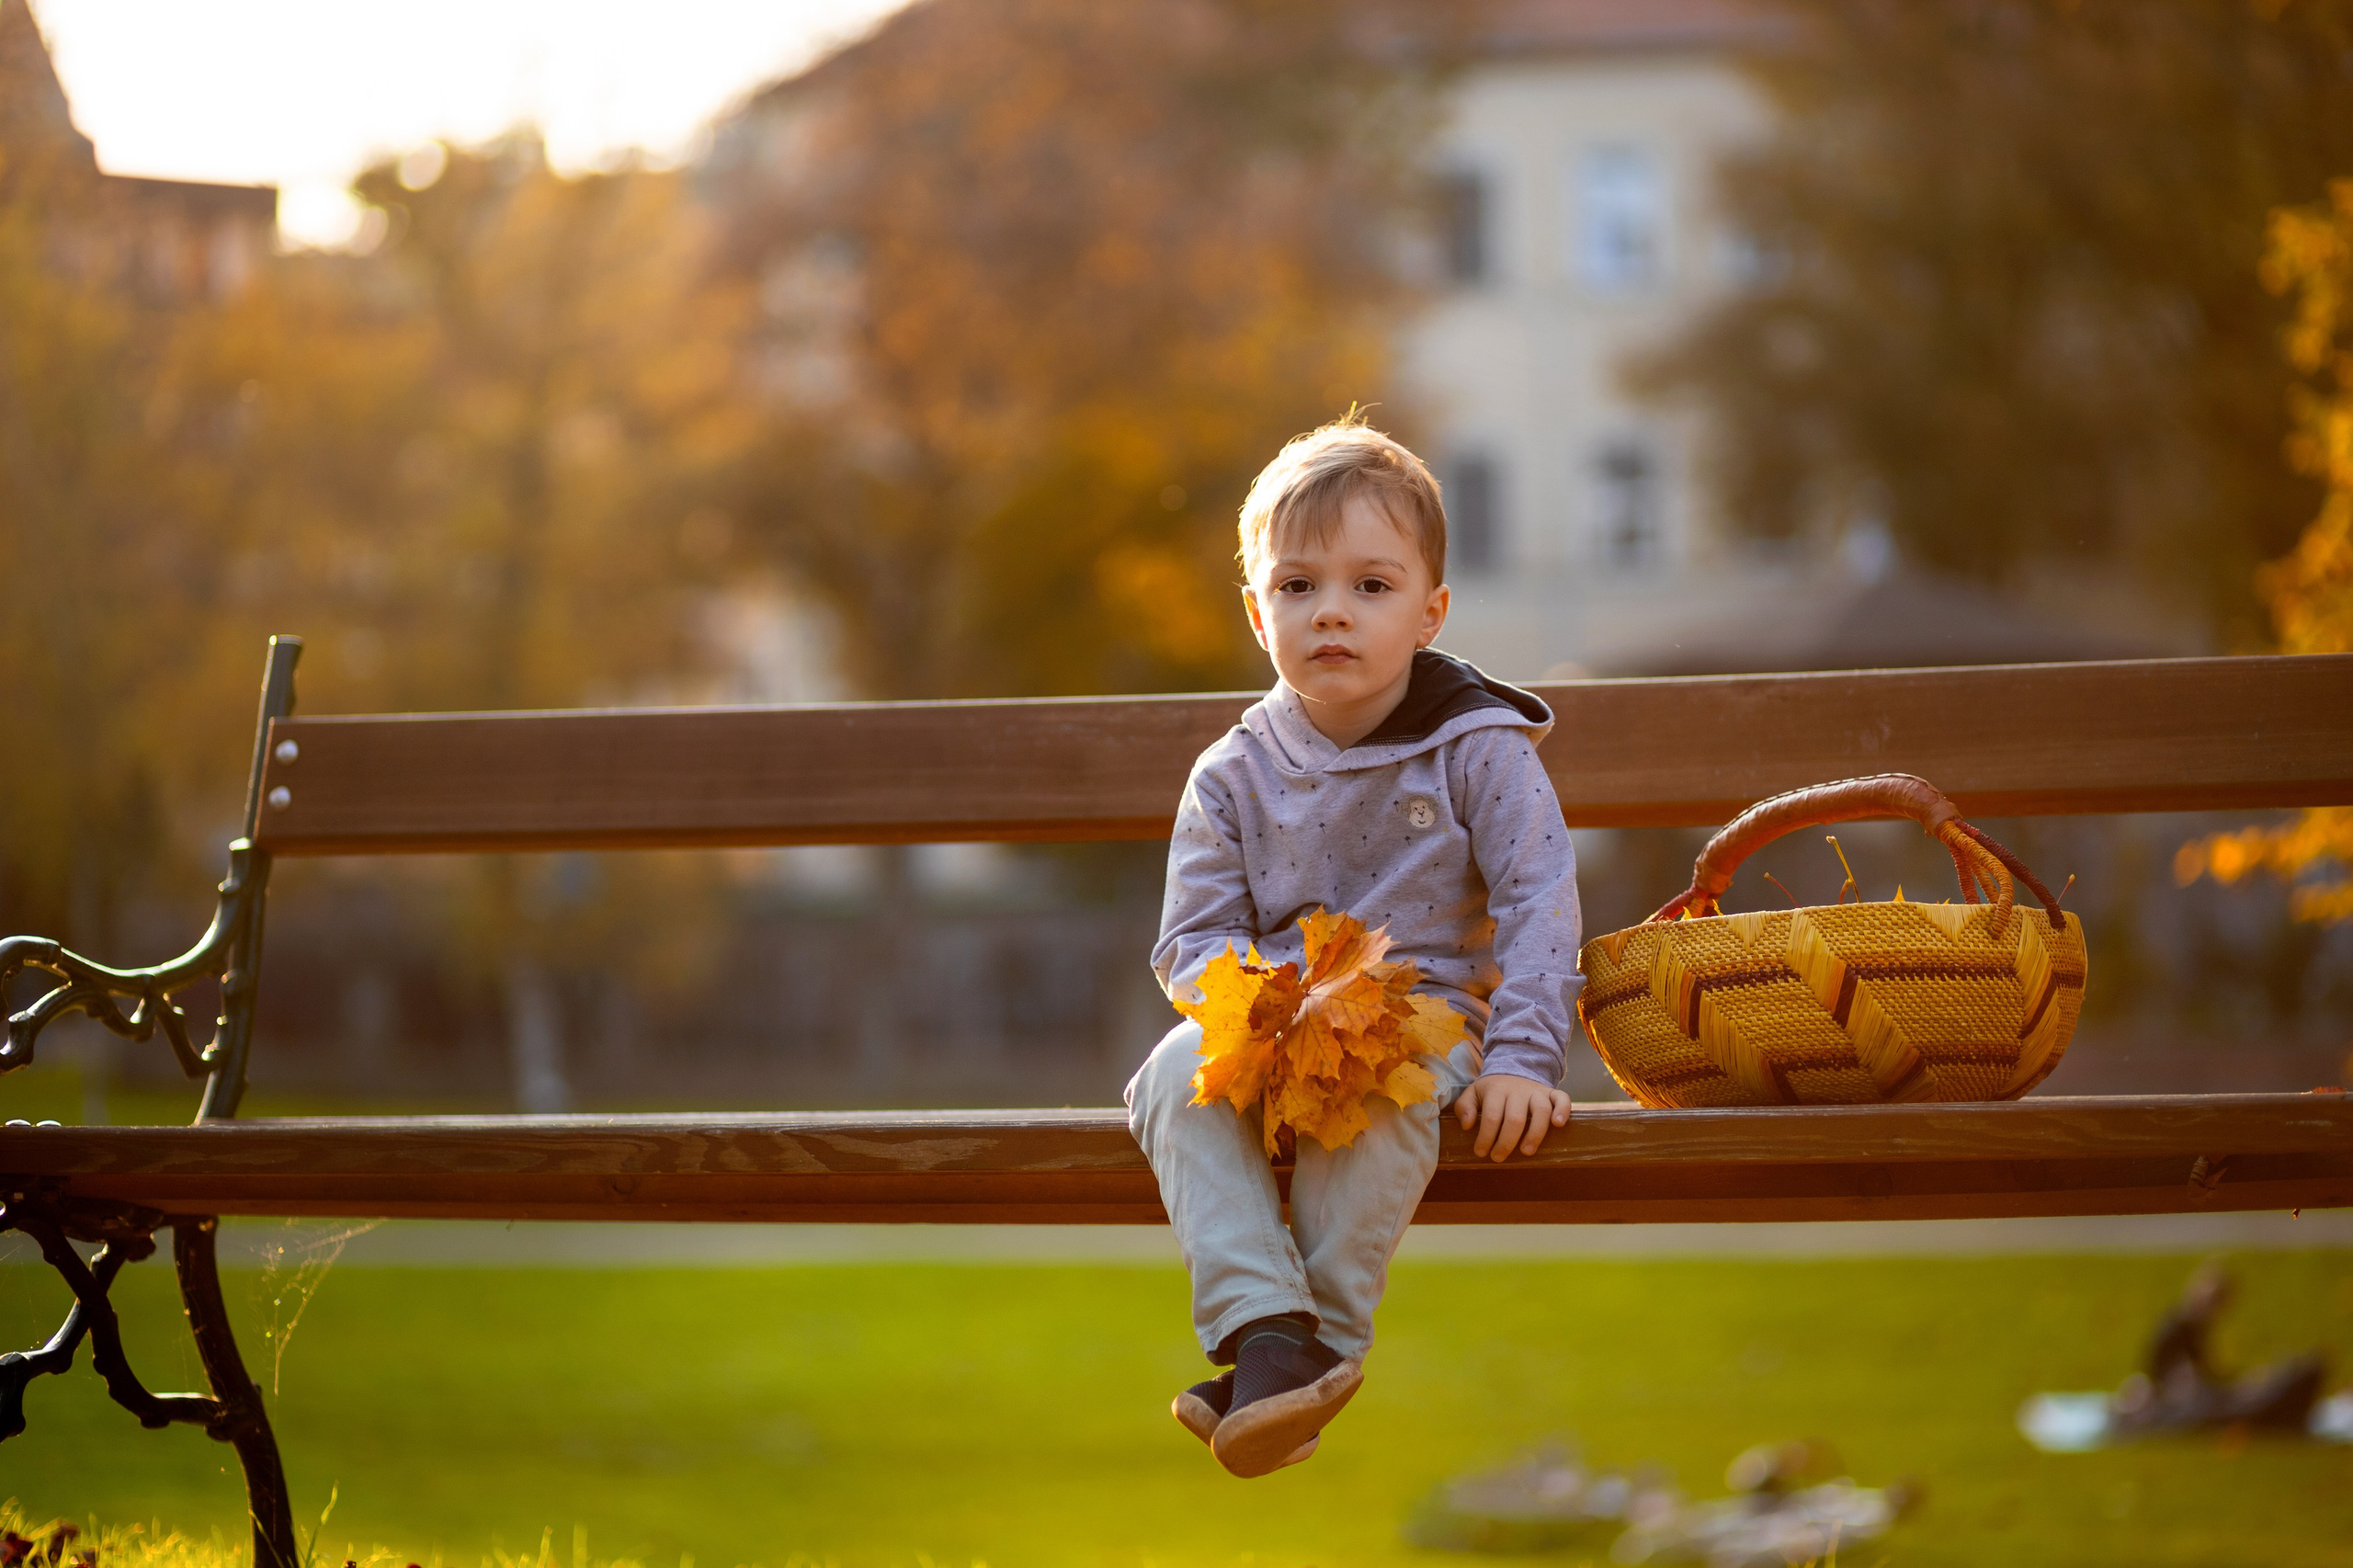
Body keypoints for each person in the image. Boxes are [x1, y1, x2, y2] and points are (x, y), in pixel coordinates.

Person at [1125, 417, 1582, 1478]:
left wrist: (1521, 1059)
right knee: (1164, 1078)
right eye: (1297, 586)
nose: (1331, 608)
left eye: (1370, 586)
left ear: (1429, 612)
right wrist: (1261, 1007)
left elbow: (1538, 897)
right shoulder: (1231, 772)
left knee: (1383, 1087)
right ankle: (1265, 1328)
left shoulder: (1476, 744)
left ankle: (1318, 1345)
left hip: (1425, 1014)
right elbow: (1192, 938)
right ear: (1256, 611)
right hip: (1274, 1018)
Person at [2109, 1260, 2329, 1437]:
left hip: (2194, 1399)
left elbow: (2206, 1375)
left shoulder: (2191, 1329)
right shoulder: (2175, 1330)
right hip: (2184, 1403)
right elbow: (2178, 1383)